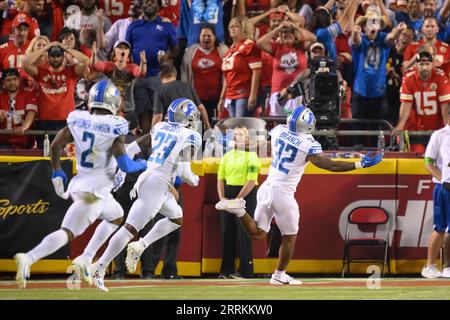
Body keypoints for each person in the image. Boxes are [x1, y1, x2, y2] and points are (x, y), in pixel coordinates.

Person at [216, 105, 383, 285]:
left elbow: (260, 144)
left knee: (258, 233)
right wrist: (359, 165)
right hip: (283, 193)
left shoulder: (279, 131)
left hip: (267, 187)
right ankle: (279, 275)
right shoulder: (308, 143)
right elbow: (330, 165)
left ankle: (240, 210)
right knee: (290, 236)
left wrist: (234, 143)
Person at [13, 80, 148, 289]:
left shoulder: (79, 119)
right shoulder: (115, 125)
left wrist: (57, 171)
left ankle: (86, 258)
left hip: (84, 184)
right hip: (94, 192)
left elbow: (56, 145)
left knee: (116, 215)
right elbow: (124, 163)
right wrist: (141, 164)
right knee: (67, 232)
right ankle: (29, 258)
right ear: (113, 102)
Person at [91, 98, 202, 292]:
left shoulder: (160, 127)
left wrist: (121, 172)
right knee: (128, 229)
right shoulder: (191, 135)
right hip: (157, 184)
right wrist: (194, 179)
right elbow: (184, 172)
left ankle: (141, 245)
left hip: (151, 179)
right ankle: (99, 267)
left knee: (176, 217)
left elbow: (132, 148)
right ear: (188, 118)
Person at [126, 0, 179, 134]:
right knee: (142, 110)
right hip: (140, 76)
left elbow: (176, 50)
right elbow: (127, 49)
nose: (149, 4)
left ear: (158, 6)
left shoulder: (166, 25)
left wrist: (167, 56)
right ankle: (145, 140)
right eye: (146, 2)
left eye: (152, 2)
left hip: (159, 76)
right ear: (142, 5)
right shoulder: (133, 26)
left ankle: (158, 140)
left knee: (159, 110)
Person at [23, 42, 90, 147]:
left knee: (66, 157)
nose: (55, 59)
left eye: (58, 55)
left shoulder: (71, 72)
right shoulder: (41, 72)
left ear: (63, 57)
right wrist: (45, 48)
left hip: (66, 122)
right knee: (44, 157)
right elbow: (26, 62)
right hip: (44, 122)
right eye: (52, 56)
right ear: (48, 57)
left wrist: (66, 48)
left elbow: (85, 60)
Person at [217, 125, 261, 279]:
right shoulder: (227, 156)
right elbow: (220, 179)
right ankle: (226, 270)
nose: (236, 137)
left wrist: (238, 199)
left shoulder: (252, 157)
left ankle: (246, 271)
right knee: (227, 232)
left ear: (247, 139)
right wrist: (222, 198)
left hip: (245, 196)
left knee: (244, 234)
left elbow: (251, 181)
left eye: (240, 135)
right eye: (234, 135)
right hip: (228, 195)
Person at [392, 51, 450, 153]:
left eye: (427, 64)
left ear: (432, 65)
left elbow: (445, 104)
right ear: (416, 65)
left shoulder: (440, 76)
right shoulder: (409, 77)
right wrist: (400, 125)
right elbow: (406, 104)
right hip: (415, 129)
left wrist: (447, 126)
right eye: (421, 64)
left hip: (436, 129)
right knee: (415, 158)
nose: (424, 68)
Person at [181, 24, 228, 126]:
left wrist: (224, 96)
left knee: (217, 126)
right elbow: (184, 74)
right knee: (198, 126)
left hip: (218, 98)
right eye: (203, 35)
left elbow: (228, 74)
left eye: (209, 35)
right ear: (199, 37)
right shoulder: (190, 51)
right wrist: (187, 95)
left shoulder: (223, 50)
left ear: (215, 37)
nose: (206, 38)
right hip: (197, 99)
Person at [422, 108, 450, 278]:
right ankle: (430, 265)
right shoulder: (440, 135)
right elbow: (428, 162)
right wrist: (442, 179)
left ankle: (447, 267)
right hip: (444, 188)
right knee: (440, 228)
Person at [218, 16, 262, 118]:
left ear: (244, 29)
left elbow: (256, 72)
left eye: (236, 26)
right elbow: (227, 77)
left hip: (244, 93)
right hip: (230, 94)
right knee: (234, 128)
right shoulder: (230, 50)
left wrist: (253, 95)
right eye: (231, 26)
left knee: (241, 126)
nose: (232, 29)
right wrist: (222, 97)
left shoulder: (250, 46)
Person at [152, 63, 211, 129]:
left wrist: (152, 132)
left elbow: (158, 116)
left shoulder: (160, 90)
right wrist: (207, 125)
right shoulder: (187, 86)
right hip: (192, 126)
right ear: (175, 73)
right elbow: (201, 108)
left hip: (174, 129)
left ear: (160, 75)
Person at [0, 68, 37, 149]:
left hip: (25, 143)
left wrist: (23, 127)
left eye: (14, 79)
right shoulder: (1, 95)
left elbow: (31, 112)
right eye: (8, 80)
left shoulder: (28, 93)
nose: (12, 82)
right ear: (3, 82)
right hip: (3, 143)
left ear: (19, 80)